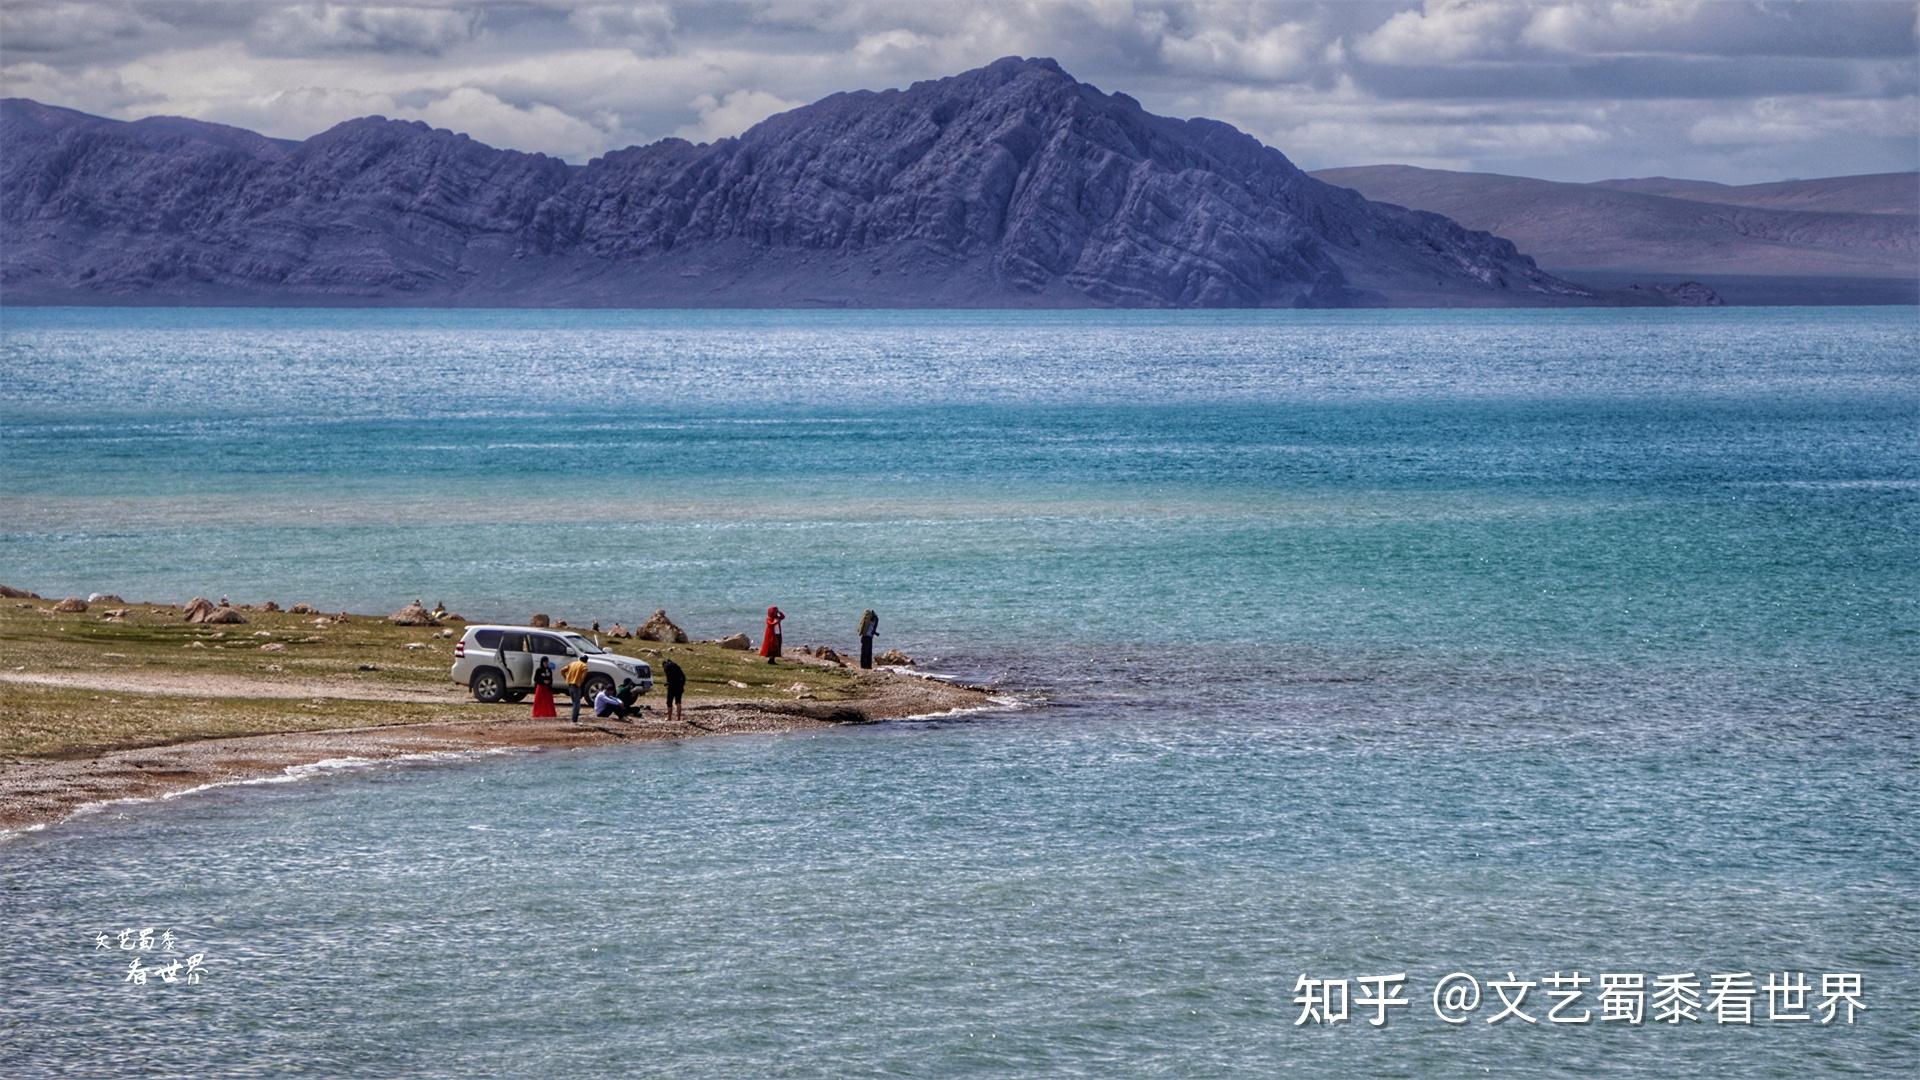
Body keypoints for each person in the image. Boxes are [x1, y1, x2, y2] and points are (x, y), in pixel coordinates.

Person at [561, 655, 591, 724]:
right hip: (576, 685)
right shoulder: (584, 666)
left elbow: (562, 671)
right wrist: (580, 683)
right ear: (586, 661)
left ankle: (574, 717)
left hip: (570, 685)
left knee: (574, 702)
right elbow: (583, 677)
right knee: (577, 704)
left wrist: (566, 679)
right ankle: (574, 720)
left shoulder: (572, 663)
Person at [661, 658, 686, 723]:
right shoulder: (677, 666)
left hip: (672, 686)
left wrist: (667, 683)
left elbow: (669, 678)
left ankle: (669, 718)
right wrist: (682, 685)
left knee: (669, 702)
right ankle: (678, 718)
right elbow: (683, 676)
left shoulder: (666, 667)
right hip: (679, 686)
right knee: (678, 702)